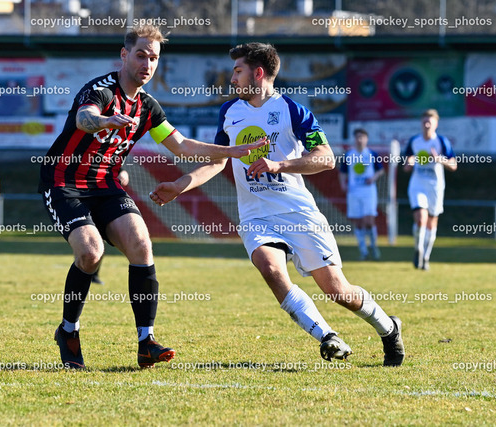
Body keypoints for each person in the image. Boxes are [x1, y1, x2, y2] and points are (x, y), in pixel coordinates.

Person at [150, 42, 405, 366]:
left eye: (238, 71)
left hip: (297, 211)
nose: (232, 78)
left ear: (258, 73)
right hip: (256, 215)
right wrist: (179, 185)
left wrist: (279, 165)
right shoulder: (230, 112)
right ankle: (327, 336)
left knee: (337, 290)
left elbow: (325, 158)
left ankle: (389, 329)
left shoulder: (293, 111)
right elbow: (217, 161)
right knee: (269, 267)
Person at [38, 25, 267, 369]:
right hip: (64, 182)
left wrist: (232, 151)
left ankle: (147, 342)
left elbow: (183, 146)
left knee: (142, 245)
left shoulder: (147, 107)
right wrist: (103, 121)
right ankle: (68, 331)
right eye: (141, 55)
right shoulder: (100, 91)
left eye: (154, 58)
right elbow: (84, 118)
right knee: (90, 253)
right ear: (124, 55)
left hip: (106, 183)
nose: (147, 63)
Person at [403, 109, 457, 271]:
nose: (427, 125)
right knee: (420, 218)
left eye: (430, 122)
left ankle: (426, 257)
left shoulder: (441, 141)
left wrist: (439, 159)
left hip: (435, 186)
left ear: (436, 124)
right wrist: (410, 163)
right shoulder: (414, 141)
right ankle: (418, 250)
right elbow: (406, 167)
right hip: (418, 183)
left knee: (432, 223)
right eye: (424, 121)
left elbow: (454, 165)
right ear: (421, 123)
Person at [339, 128, 384, 260]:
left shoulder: (371, 154)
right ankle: (363, 250)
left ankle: (374, 247)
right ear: (354, 139)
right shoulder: (348, 155)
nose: (360, 140)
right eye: (357, 137)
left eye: (362, 137)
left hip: (368, 192)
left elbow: (380, 170)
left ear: (366, 139)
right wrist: (343, 184)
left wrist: (373, 178)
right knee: (358, 223)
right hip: (353, 192)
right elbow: (342, 173)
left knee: (369, 221)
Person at [90, 168, 130, 286]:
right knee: (87, 243)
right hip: (80, 198)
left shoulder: (109, 155)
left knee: (98, 242)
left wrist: (123, 173)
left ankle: (94, 274)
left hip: (102, 199)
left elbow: (118, 167)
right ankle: (85, 274)